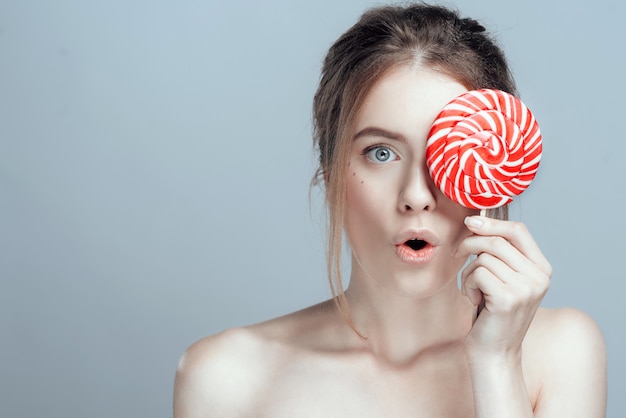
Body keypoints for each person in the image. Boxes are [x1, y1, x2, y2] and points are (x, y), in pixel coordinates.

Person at [173, 3, 607, 417]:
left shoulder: (561, 353)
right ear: (329, 173)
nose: (417, 195)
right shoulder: (228, 378)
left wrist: (496, 363)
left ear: (496, 175)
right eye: (381, 153)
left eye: (449, 152)